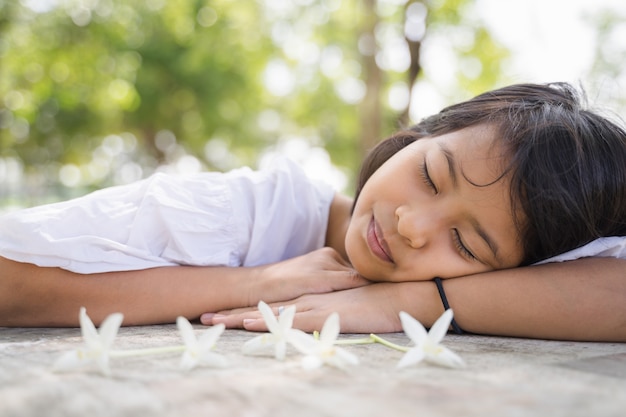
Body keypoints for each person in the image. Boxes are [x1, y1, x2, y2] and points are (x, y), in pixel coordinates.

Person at [1, 82, 625, 342]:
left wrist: (410, 304)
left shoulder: (499, 283)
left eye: (465, 246)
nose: (412, 226)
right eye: (431, 175)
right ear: (423, 133)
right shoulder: (257, 207)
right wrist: (254, 284)